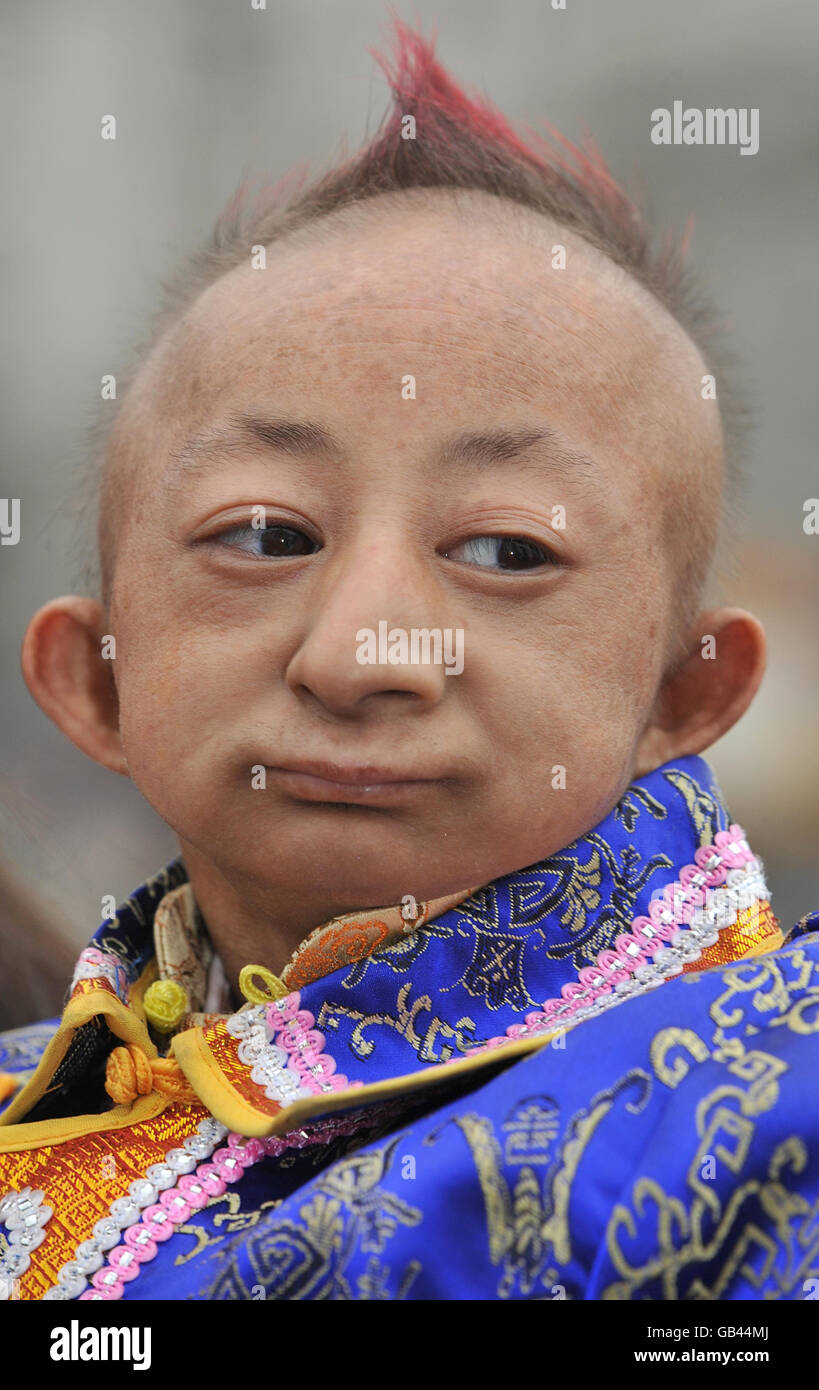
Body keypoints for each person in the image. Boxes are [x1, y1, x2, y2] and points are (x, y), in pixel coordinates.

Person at [2, 19, 817, 1302]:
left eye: (505, 552)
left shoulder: (773, 1112)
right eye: (265, 534)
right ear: (93, 681)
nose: (361, 651)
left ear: (688, 690)